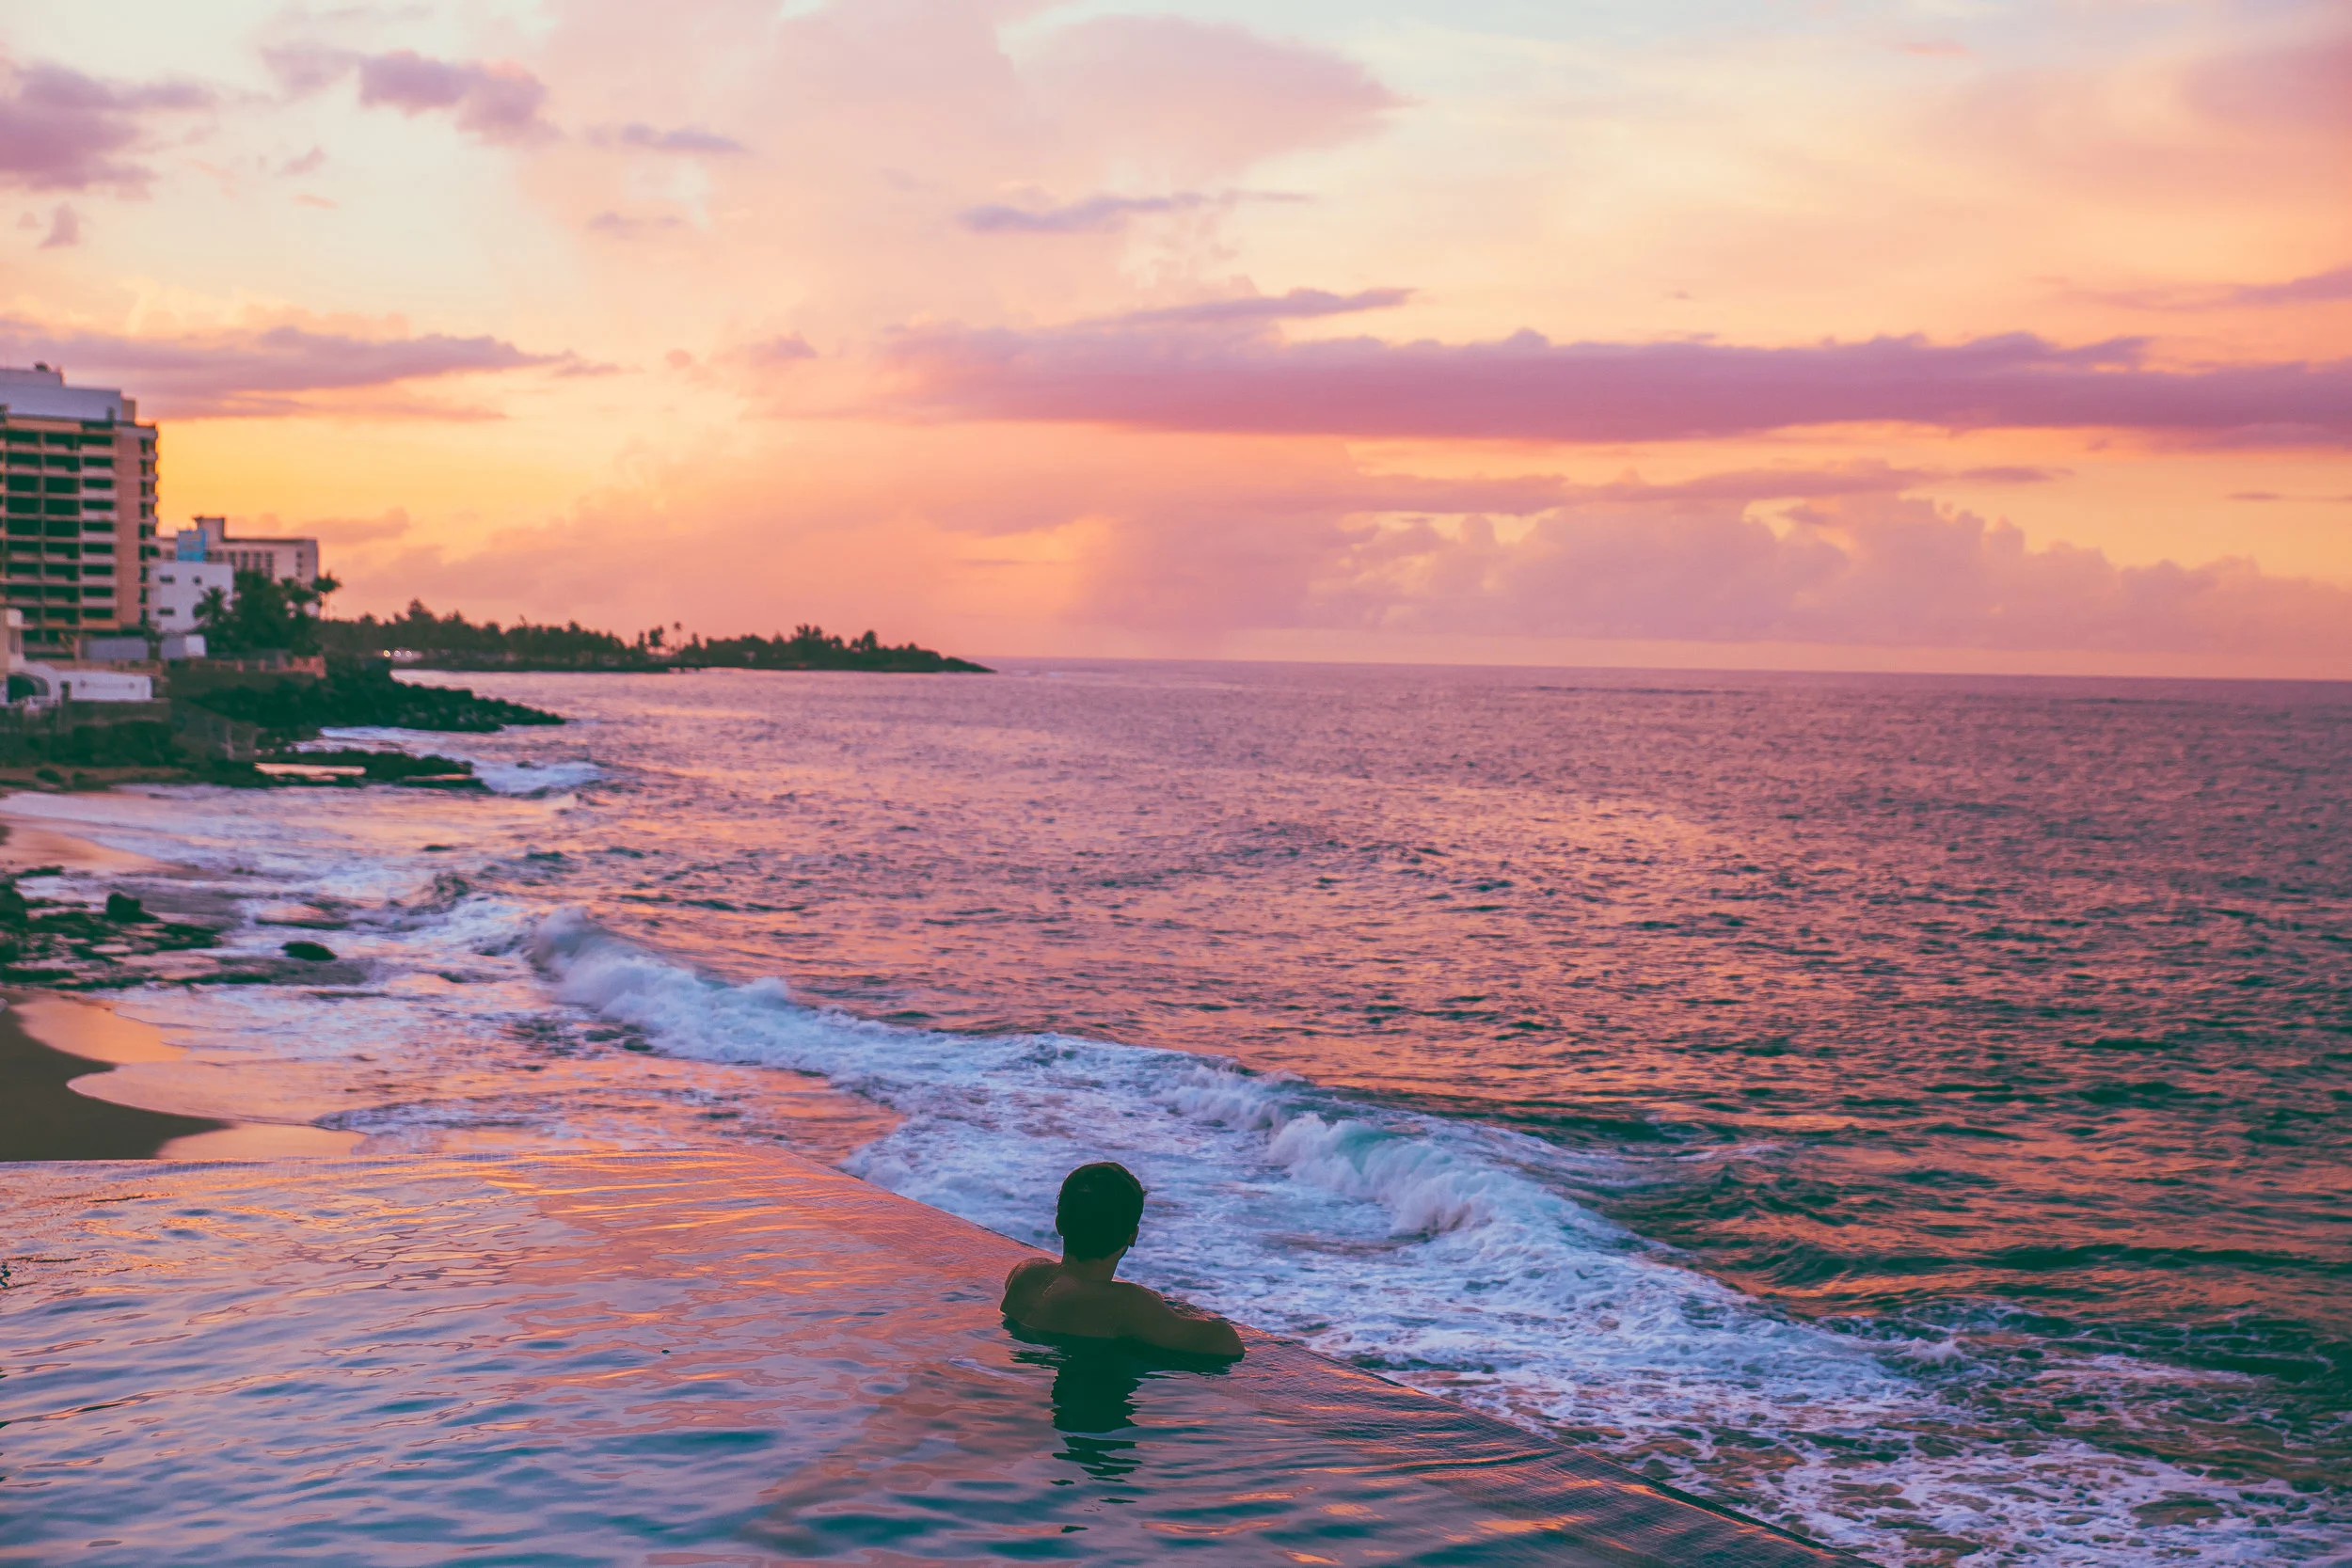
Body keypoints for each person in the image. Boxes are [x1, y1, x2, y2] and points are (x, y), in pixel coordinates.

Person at [1001, 1162, 1244, 1357]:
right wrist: (1180, 1310)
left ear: (1059, 1224)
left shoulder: (1025, 1273)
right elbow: (1226, 1342)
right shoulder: (1127, 1304)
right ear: (1132, 1236)